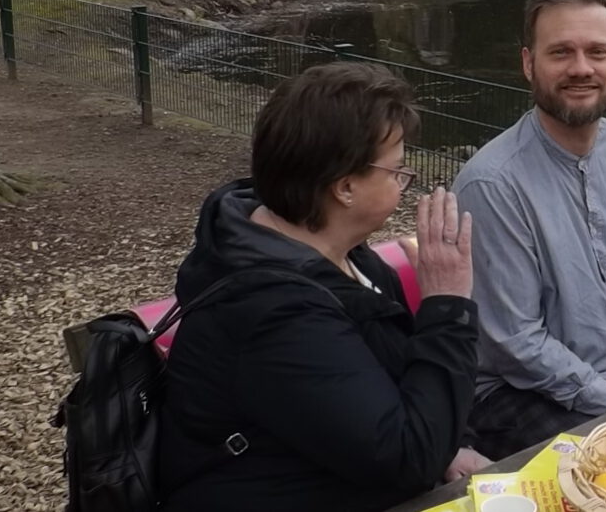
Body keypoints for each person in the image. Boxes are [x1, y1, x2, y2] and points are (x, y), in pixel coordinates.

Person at [158, 62, 488, 512]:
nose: (404, 183)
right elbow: (403, 457)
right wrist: (448, 304)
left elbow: (401, 381)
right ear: (345, 187)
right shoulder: (273, 312)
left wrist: (453, 444)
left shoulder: (340, 251)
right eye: (397, 172)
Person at [453, 0, 606, 461]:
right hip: (522, 393)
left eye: (597, 53)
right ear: (528, 64)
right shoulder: (492, 184)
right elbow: (516, 343)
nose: (581, 69)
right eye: (560, 53)